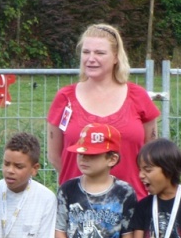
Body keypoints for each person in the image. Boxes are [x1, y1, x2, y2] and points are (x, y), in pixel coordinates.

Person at [46, 23, 160, 199]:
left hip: (132, 206)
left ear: (116, 57)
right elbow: (54, 155)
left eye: (99, 53)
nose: (91, 58)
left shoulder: (138, 97)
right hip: (79, 207)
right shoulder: (65, 98)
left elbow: (151, 153)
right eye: (86, 52)